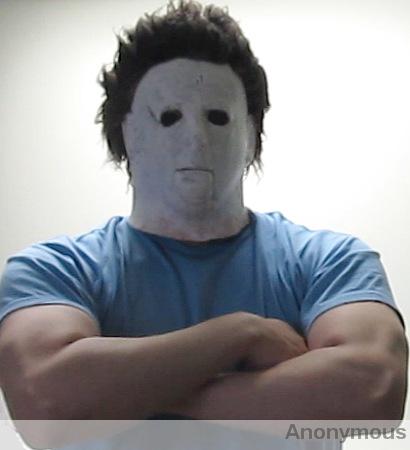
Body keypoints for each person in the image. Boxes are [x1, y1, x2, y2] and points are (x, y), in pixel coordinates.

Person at [0, 0, 407, 448]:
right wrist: (243, 333)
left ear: (250, 135)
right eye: (169, 117)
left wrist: (124, 397)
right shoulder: (54, 269)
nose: (195, 139)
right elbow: (47, 405)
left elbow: (374, 391)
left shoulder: (330, 260)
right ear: (126, 133)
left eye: (218, 117)